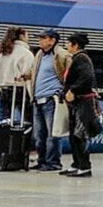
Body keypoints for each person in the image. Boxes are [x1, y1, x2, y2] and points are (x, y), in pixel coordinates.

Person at [59, 33, 99, 178]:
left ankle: (85, 166)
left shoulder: (81, 58)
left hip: (83, 103)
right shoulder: (76, 58)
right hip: (76, 103)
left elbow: (87, 78)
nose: (66, 45)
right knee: (73, 135)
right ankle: (76, 164)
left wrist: (73, 90)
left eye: (69, 43)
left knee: (79, 135)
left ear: (75, 45)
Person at [30, 28, 64, 171]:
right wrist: (25, 76)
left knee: (52, 133)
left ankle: (53, 162)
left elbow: (69, 73)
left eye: (43, 38)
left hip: (51, 100)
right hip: (37, 100)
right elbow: (34, 71)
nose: (40, 41)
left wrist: (61, 91)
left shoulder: (61, 55)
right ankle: (42, 160)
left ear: (52, 40)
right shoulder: (39, 55)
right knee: (39, 134)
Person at [0, 26, 33, 123]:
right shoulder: (26, 53)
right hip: (20, 89)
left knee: (5, 119)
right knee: (28, 119)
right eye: (27, 35)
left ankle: (4, 137)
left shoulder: (2, 53)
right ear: (22, 36)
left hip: (3, 89)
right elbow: (29, 73)